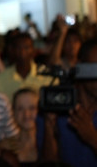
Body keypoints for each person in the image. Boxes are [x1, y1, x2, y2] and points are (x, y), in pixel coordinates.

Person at [40, 38, 97, 166]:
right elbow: (48, 162)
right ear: (80, 67)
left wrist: (92, 138)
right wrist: (49, 127)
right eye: (94, 68)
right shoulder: (58, 105)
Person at [0, 33, 54, 103]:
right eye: (19, 48)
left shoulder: (47, 76)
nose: (22, 52)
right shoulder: (0, 80)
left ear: (33, 50)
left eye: (26, 48)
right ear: (12, 51)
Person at [11, 88, 40, 166]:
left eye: (32, 108)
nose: (26, 114)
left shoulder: (50, 144)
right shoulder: (6, 146)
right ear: (13, 112)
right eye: (20, 109)